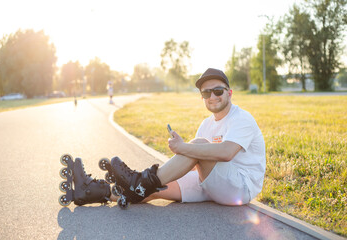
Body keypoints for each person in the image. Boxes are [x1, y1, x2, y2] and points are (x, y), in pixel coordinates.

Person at [65, 68, 265, 207]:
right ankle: (94, 191)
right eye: (206, 93)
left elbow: (226, 152)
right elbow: (196, 162)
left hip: (240, 188)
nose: (212, 96)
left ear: (229, 93)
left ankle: (141, 180)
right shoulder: (206, 124)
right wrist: (171, 171)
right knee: (156, 189)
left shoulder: (242, 118)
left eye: (218, 91)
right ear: (202, 97)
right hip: (213, 183)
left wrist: (182, 147)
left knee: (197, 145)